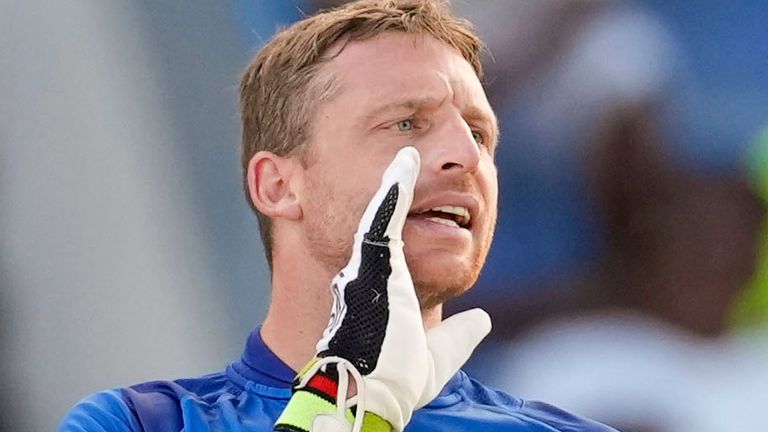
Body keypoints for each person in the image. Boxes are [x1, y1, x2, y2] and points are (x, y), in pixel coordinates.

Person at [59, 1, 617, 431]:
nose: (467, 158)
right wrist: (349, 412)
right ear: (277, 185)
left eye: (479, 133)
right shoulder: (139, 421)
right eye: (405, 124)